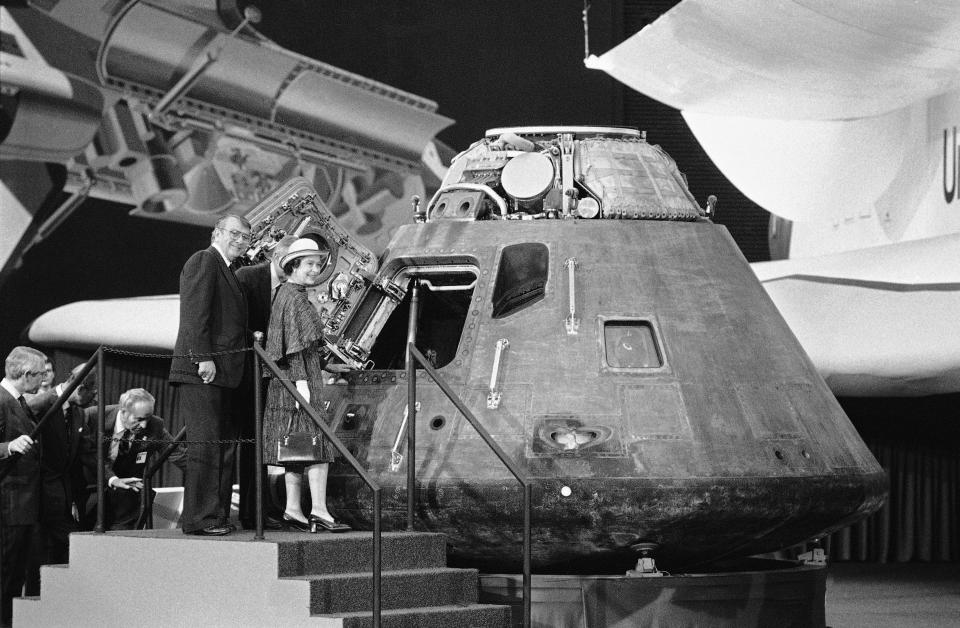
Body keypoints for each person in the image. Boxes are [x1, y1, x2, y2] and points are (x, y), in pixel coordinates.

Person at [169, 214, 251, 536]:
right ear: (217, 232)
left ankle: (216, 516)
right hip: (204, 370)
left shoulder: (231, 271)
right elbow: (194, 315)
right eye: (235, 233)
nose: (240, 240)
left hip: (227, 373)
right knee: (206, 446)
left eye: (246, 236)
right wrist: (202, 358)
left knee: (223, 446)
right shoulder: (204, 260)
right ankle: (200, 519)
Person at [262, 238, 350, 533]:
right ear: (293, 265)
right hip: (297, 381)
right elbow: (295, 348)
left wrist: (327, 366)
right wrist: (302, 385)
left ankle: (292, 509)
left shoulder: (288, 294)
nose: (315, 270)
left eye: (317, 264)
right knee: (317, 446)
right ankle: (320, 511)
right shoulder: (295, 298)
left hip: (295, 379)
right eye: (309, 264)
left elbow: (301, 346)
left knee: (296, 449)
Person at [235, 235, 297, 531]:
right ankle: (244, 513)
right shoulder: (247, 278)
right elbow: (233, 322)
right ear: (278, 256)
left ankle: (256, 511)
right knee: (248, 444)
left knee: (261, 446)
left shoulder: (293, 290)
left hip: (270, 378)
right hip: (243, 374)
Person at [23, 362, 97, 596]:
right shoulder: (39, 404)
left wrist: (112, 479)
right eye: (93, 392)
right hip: (34, 494)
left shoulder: (78, 413)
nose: (94, 398)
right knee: (39, 554)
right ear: (80, 387)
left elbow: (87, 453)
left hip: (60, 494)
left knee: (57, 550)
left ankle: (51, 603)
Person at [82, 388, 186, 530]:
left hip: (125, 502)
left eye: (147, 418)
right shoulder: (93, 417)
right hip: (90, 493)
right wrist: (112, 479)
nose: (144, 425)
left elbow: (179, 456)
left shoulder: (155, 426)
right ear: (123, 411)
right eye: (139, 419)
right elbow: (88, 456)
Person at [0, 346, 46, 628]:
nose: (43, 380)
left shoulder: (18, 400)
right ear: (27, 374)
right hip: (9, 503)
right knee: (6, 573)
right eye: (40, 374)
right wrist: (8, 446)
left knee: (16, 573)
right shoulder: (2, 400)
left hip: (22, 504)